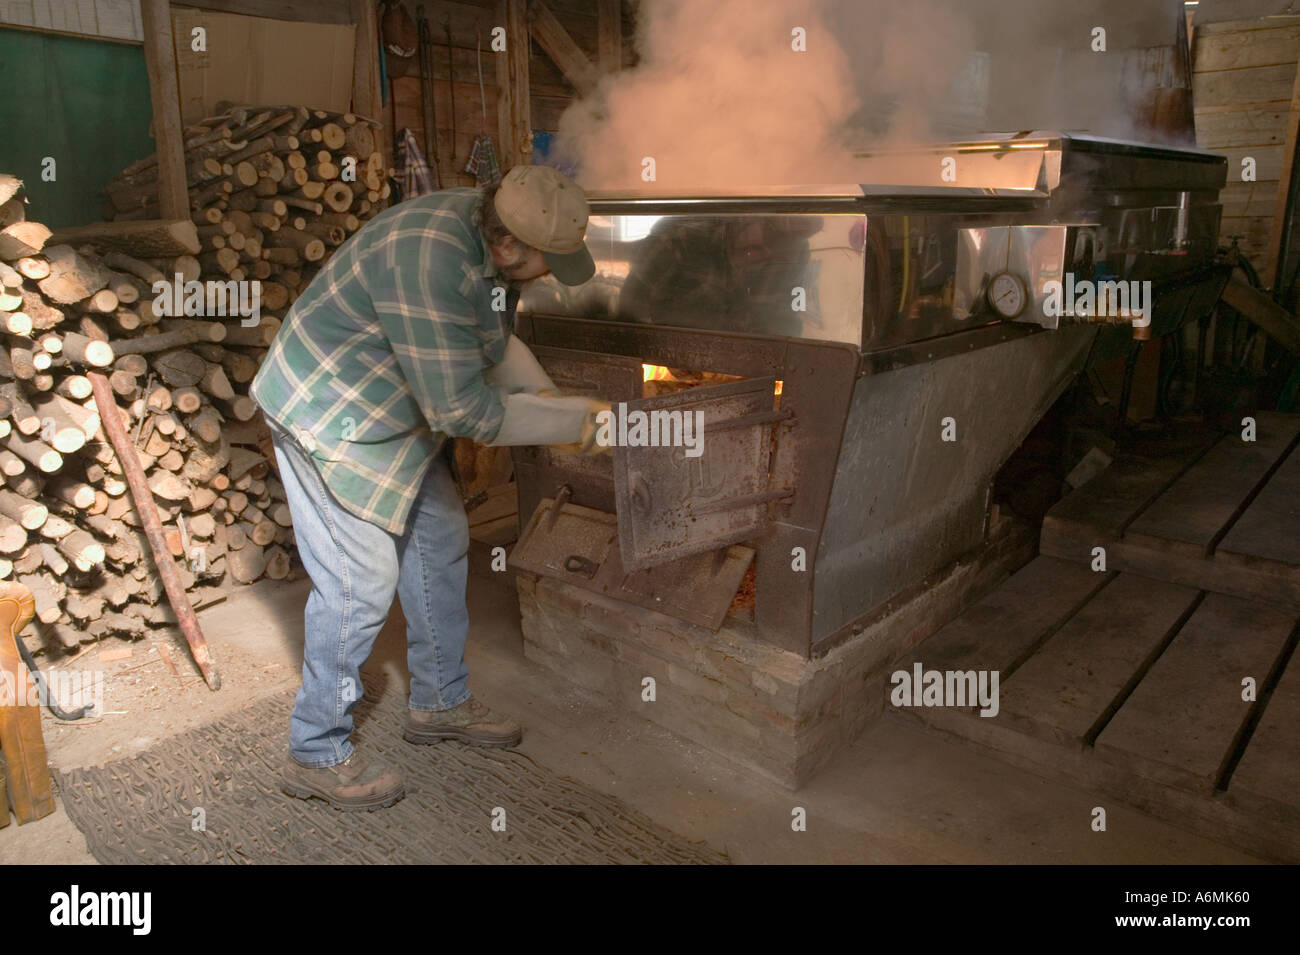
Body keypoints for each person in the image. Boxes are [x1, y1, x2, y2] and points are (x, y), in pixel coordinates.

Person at [250, 165, 606, 811]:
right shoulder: (431, 263)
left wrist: (551, 398)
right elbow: (465, 414)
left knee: (440, 537)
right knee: (360, 584)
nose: (553, 272)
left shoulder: (488, 233)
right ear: (508, 246)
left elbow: (492, 346)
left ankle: (439, 701)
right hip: (328, 411)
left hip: (390, 404)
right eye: (548, 262)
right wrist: (574, 421)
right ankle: (315, 751)